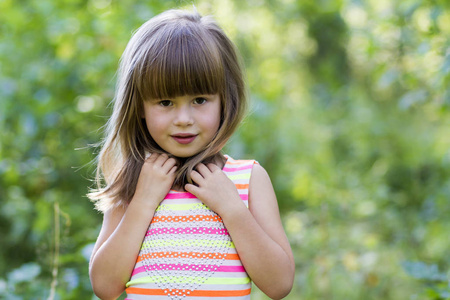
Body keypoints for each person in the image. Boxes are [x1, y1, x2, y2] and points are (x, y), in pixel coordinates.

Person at [88, 8, 295, 300]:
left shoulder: (247, 179)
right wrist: (143, 202)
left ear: (226, 100)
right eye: (165, 102)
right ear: (140, 107)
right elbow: (105, 287)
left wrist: (233, 210)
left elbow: (280, 283)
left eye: (199, 100)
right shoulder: (135, 182)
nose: (183, 118)